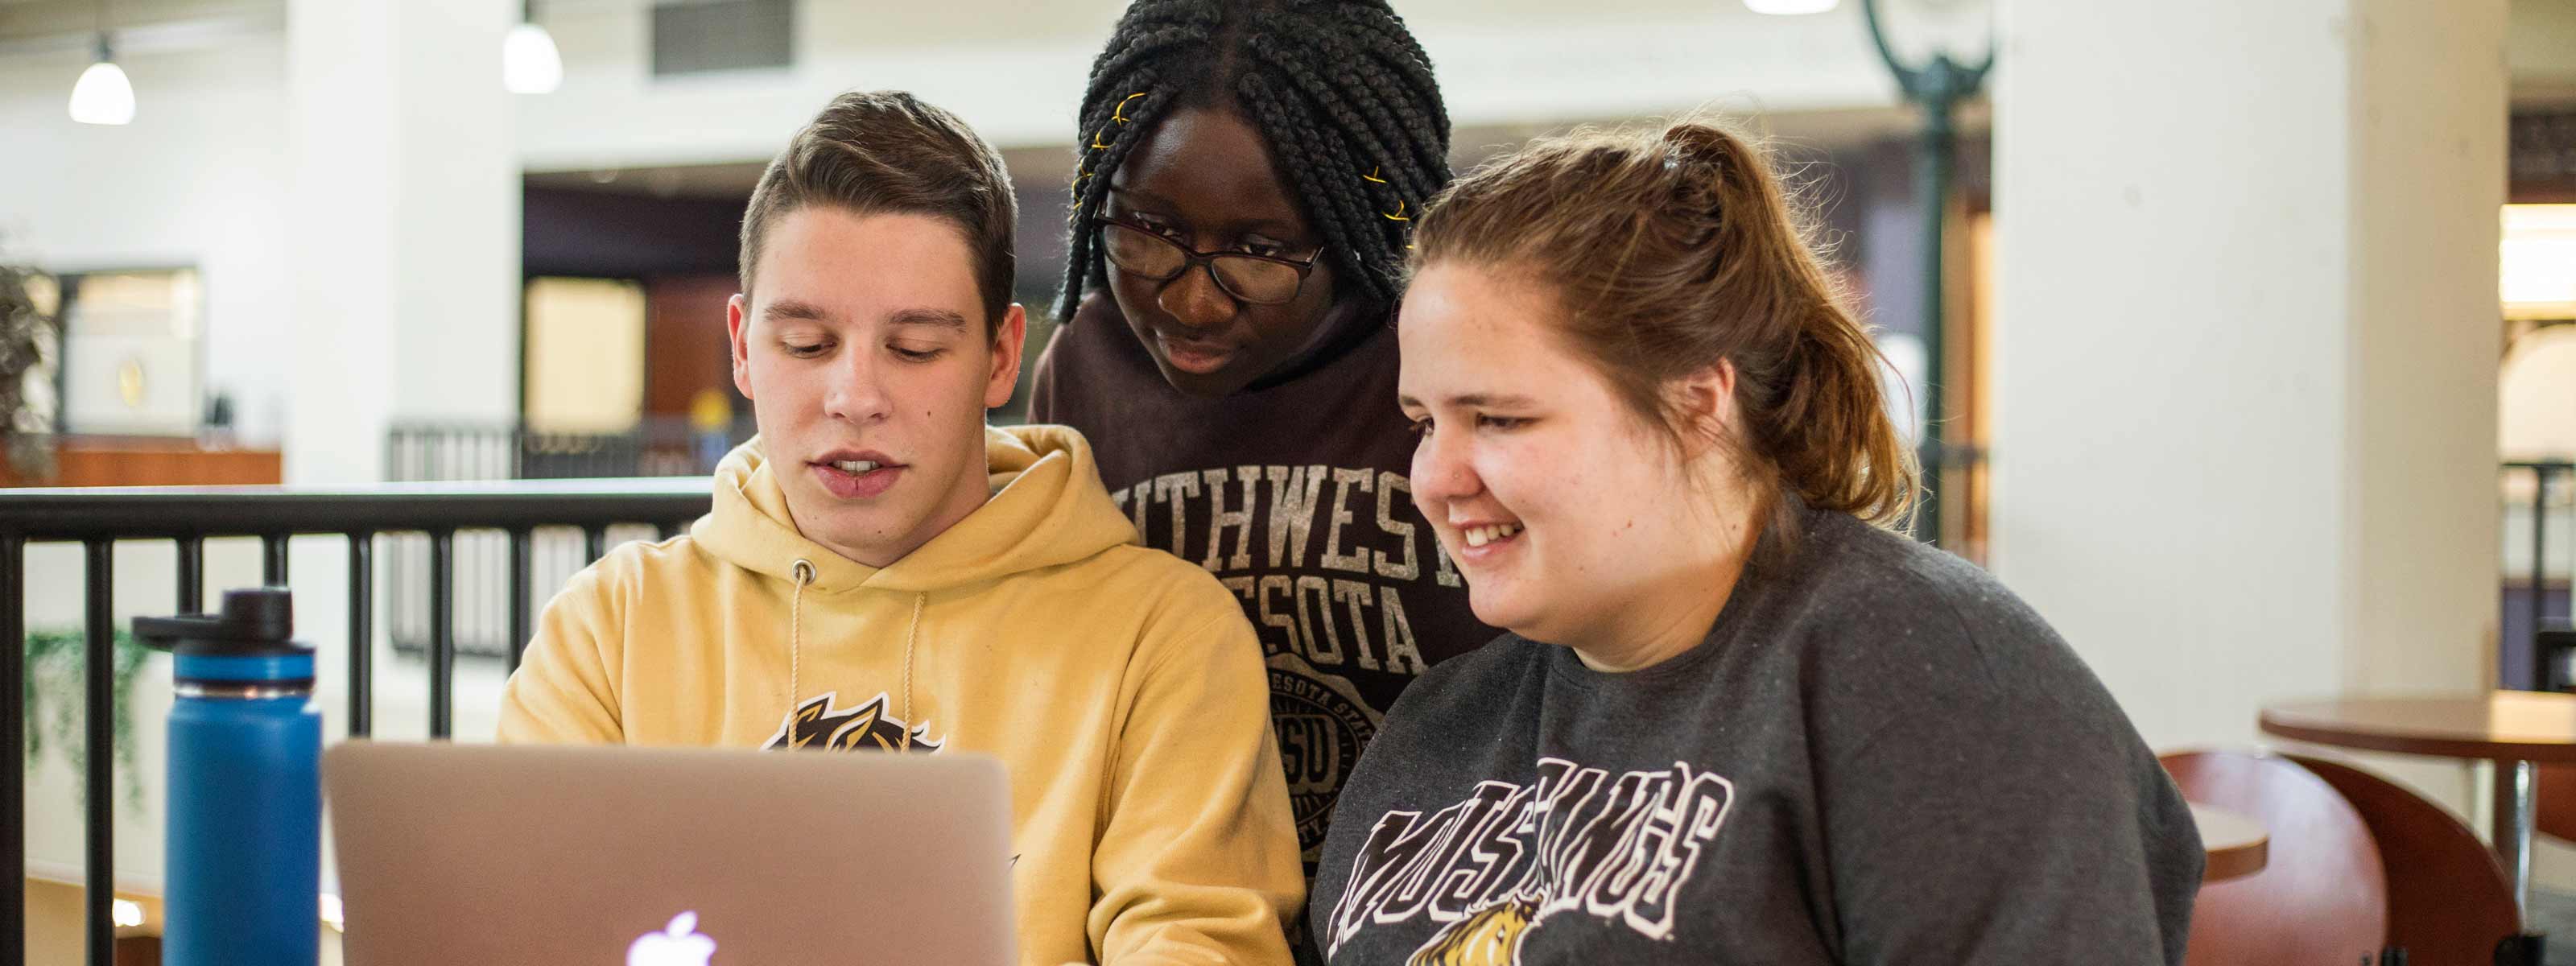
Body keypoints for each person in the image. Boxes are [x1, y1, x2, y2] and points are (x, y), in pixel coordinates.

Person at [1309, 121, 2203, 964]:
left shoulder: (1934, 680)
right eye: (1424, 422)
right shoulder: (1444, 722)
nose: (1434, 477)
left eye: (1498, 419)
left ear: (1698, 404)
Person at [497, 89, 1302, 966]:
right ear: (740, 345)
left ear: (1000, 356)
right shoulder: (609, 628)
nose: (854, 398)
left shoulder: (1162, 638)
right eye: (805, 343)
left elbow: (1194, 946)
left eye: (915, 348)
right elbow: (516, 931)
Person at [1027, 0, 1492, 877]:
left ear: (1358, 226)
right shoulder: (1084, 366)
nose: (1193, 302)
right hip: (1170, 897)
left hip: (1438, 902)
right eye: (1150, 233)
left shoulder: (1445, 359)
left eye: (1260, 252)